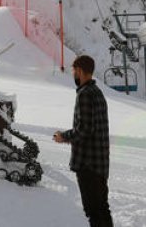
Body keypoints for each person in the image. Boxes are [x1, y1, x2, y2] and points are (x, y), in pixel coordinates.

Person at [53, 55, 113, 227]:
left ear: (79, 70)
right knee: (102, 208)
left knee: (93, 211)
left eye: (74, 71)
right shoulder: (97, 92)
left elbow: (85, 129)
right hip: (100, 164)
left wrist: (63, 136)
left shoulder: (85, 94)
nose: (73, 75)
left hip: (88, 164)